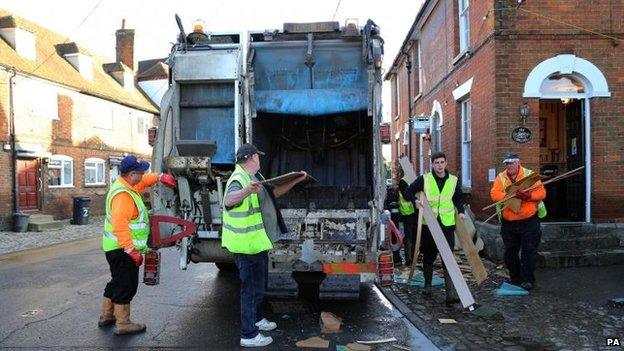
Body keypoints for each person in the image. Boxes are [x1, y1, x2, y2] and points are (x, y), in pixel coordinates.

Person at [222, 143, 307, 348]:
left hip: (257, 243)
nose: (260, 159)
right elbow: (228, 199)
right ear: (252, 157)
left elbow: (273, 193)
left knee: (259, 286)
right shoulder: (239, 178)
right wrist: (245, 191)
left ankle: (258, 319)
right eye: (257, 156)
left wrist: (296, 180)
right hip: (245, 245)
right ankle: (248, 335)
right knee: (249, 290)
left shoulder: (255, 177)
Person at [99, 155, 176, 335]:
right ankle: (123, 323)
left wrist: (159, 177)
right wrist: (131, 250)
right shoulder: (123, 196)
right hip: (122, 249)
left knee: (117, 281)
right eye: (141, 172)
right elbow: (119, 225)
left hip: (114, 248)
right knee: (126, 284)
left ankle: (107, 315)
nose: (143, 175)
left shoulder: (126, 187)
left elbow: (143, 183)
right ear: (132, 174)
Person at [403, 152, 465, 307]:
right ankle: (428, 285)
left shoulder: (453, 180)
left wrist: (462, 211)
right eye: (436, 162)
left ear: (446, 163)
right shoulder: (425, 179)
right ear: (432, 164)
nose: (439, 165)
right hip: (429, 224)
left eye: (442, 162)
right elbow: (408, 191)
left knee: (448, 257)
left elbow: (458, 197)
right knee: (429, 255)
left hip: (446, 224)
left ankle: (450, 294)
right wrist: (415, 200)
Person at [490, 153, 546, 291]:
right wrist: (510, 196)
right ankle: (515, 278)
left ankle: (528, 280)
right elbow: (494, 194)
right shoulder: (501, 178)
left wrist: (528, 196)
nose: (509, 166)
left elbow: (542, 193)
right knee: (510, 252)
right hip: (509, 222)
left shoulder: (529, 175)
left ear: (518, 163)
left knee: (529, 250)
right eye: (507, 164)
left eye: (511, 163)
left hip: (529, 220)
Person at [397, 168, 418, 266]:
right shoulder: (403, 181)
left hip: (415, 212)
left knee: (415, 235)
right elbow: (406, 196)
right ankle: (408, 259)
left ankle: (414, 257)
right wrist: (416, 199)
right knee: (409, 236)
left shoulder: (414, 179)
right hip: (407, 213)